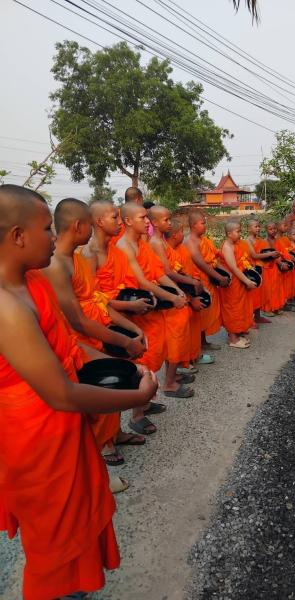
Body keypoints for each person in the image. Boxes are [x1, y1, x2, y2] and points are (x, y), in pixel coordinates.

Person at [0, 184, 157, 600]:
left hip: (62, 427)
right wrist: (137, 397)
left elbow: (69, 346)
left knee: (77, 521)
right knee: (53, 540)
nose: (54, 236)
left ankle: (73, 588)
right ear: (17, 236)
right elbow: (61, 395)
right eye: (45, 229)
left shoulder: (33, 281)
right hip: (36, 438)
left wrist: (125, 365)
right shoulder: (6, 306)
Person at [43, 198, 149, 463]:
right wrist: (125, 342)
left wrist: (131, 328)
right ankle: (104, 447)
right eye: (90, 225)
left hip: (97, 330)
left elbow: (97, 300)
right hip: (79, 340)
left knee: (113, 382)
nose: (92, 231)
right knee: (100, 389)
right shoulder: (57, 265)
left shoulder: (76, 259)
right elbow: (78, 321)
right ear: (79, 225)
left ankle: (115, 433)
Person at [83, 199, 167, 418]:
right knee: (111, 377)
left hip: (122, 316)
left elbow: (126, 285)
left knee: (132, 365)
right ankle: (132, 421)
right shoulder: (88, 254)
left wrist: (136, 301)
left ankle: (135, 414)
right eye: (115, 217)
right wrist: (129, 305)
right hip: (101, 323)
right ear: (99, 221)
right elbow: (91, 299)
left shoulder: (115, 250)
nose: (119, 222)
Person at [117, 204, 193, 400]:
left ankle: (146, 403)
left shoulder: (142, 244)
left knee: (157, 348)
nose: (147, 222)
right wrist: (172, 298)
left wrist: (177, 291)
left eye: (147, 218)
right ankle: (139, 411)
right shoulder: (124, 246)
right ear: (128, 221)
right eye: (142, 218)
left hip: (152, 303)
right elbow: (142, 281)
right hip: (138, 305)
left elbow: (158, 274)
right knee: (145, 355)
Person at [149, 206, 201, 398]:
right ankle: (169, 383)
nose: (170, 223)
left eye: (170, 219)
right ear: (155, 223)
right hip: (168, 297)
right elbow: (166, 272)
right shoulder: (156, 243)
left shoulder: (161, 241)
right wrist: (189, 282)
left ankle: (174, 374)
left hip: (174, 293)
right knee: (175, 340)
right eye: (166, 220)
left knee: (177, 339)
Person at [185, 210, 228, 351]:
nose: (205, 225)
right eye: (202, 223)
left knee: (206, 312)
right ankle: (197, 345)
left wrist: (226, 272)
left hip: (209, 279)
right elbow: (201, 264)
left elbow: (214, 259)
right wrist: (219, 277)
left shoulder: (205, 240)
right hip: (199, 280)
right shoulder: (190, 241)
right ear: (193, 225)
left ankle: (203, 342)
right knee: (200, 312)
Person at [219, 221, 256, 348]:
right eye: (238, 231)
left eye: (240, 231)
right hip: (232, 283)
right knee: (232, 309)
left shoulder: (236, 245)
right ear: (229, 233)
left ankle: (238, 333)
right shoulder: (227, 247)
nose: (240, 233)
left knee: (240, 308)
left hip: (239, 281)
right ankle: (232, 339)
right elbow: (234, 268)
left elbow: (242, 261)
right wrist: (247, 281)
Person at [246, 219, 278, 324]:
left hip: (262, 268)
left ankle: (258, 317)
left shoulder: (261, 241)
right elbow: (254, 255)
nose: (258, 228)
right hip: (253, 269)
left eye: (259, 226)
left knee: (261, 294)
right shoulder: (248, 241)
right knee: (253, 295)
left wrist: (273, 255)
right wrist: (270, 254)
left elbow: (265, 253)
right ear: (249, 229)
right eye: (255, 226)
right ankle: (250, 319)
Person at [260, 222, 285, 316]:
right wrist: (280, 263)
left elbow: (282, 252)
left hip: (275, 267)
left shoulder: (278, 241)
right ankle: (267, 309)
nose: (273, 231)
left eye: (274, 229)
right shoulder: (264, 242)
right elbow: (266, 255)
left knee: (277, 288)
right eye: (270, 229)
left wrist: (284, 261)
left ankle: (276, 307)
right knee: (268, 289)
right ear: (266, 230)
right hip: (267, 267)